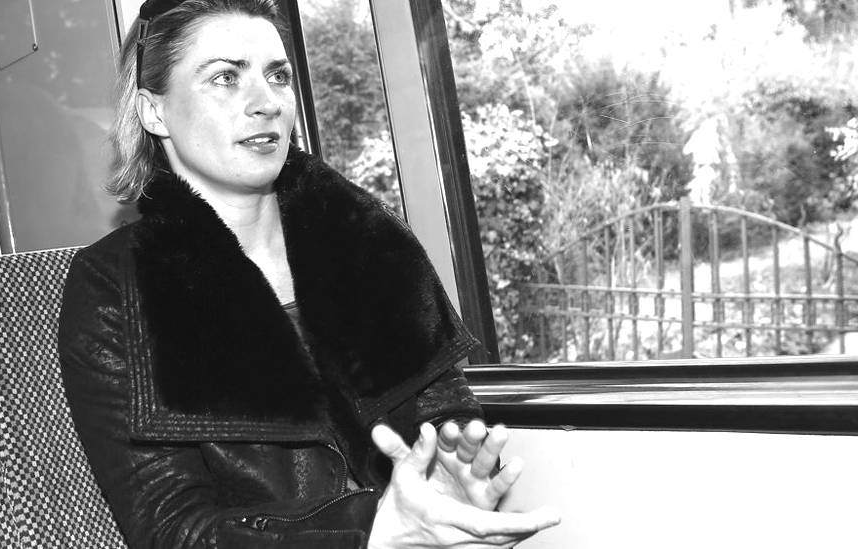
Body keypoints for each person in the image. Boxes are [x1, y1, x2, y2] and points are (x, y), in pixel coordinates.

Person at [57, 1, 560, 547]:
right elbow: (173, 530)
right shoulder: (114, 288)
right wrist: (372, 531)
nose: (267, 102)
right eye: (225, 77)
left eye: (278, 76)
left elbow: (446, 417)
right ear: (154, 112)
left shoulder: (368, 240)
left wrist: (451, 482)